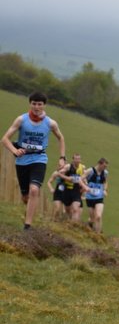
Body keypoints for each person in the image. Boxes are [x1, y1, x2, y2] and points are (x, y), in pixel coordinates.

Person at [1, 92, 66, 229]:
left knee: (34, 190)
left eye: (39, 104)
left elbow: (61, 138)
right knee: (26, 196)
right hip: (22, 160)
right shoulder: (21, 120)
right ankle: (28, 209)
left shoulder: (50, 123)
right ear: (30, 104)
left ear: (44, 105)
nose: (37, 107)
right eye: (34, 103)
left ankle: (27, 226)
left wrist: (62, 158)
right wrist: (15, 150)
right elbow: (5, 139)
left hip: (39, 158)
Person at [54, 153, 87, 222]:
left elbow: (85, 177)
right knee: (68, 210)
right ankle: (68, 223)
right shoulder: (68, 167)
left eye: (79, 159)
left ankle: (74, 225)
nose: (78, 160)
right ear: (73, 160)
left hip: (76, 190)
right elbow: (58, 173)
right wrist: (68, 178)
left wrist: (84, 183)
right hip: (67, 190)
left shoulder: (82, 167)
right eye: (76, 159)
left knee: (75, 208)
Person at [82, 157, 109, 232]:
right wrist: (85, 187)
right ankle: (89, 224)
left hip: (99, 196)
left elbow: (105, 182)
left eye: (106, 167)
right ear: (99, 164)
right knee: (92, 219)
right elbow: (80, 179)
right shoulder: (90, 171)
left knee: (98, 216)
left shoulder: (105, 173)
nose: (105, 168)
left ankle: (98, 235)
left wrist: (104, 190)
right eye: (104, 166)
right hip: (90, 196)